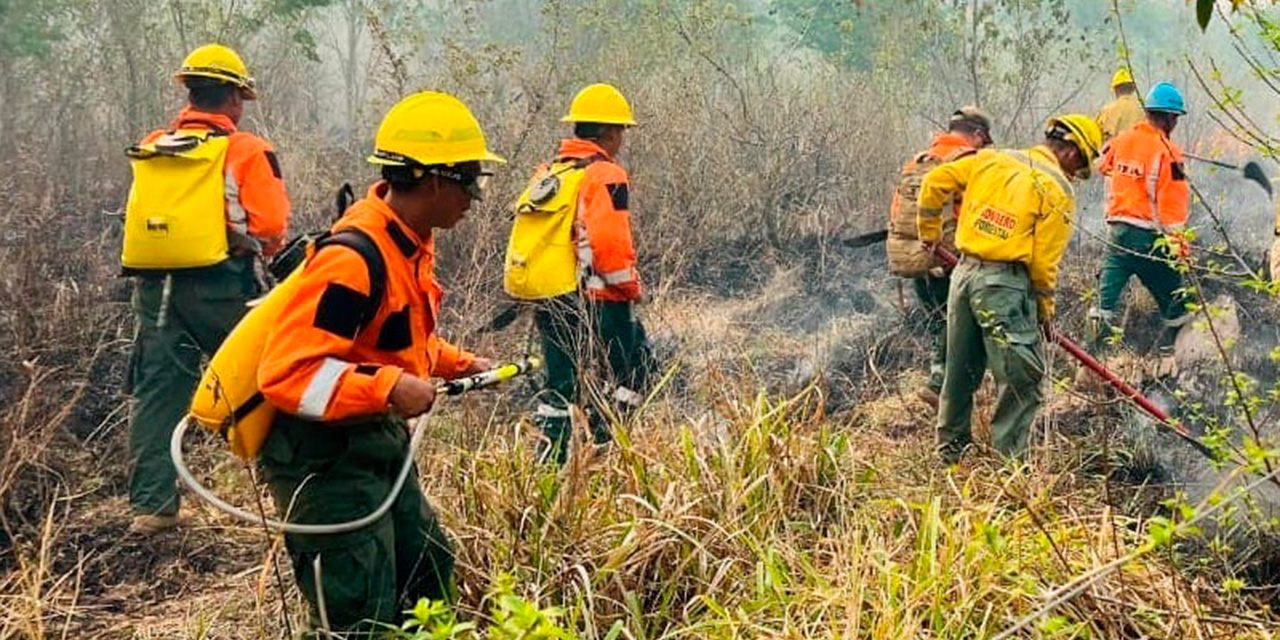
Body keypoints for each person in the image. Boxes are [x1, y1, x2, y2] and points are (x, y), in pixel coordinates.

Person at [255, 91, 501, 632]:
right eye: (471, 183)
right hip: (325, 461)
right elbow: (286, 373)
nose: (474, 198)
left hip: (373, 441)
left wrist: (460, 364)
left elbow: (394, 341)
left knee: (428, 576)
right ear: (436, 180)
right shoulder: (352, 260)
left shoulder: (407, 242)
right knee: (362, 612)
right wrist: (390, 389)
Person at [123, 44, 290, 534]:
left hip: (156, 290)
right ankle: (291, 491)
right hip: (221, 288)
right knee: (260, 382)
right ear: (235, 99)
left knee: (157, 393)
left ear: (191, 93)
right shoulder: (246, 151)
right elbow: (272, 225)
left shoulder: (153, 143)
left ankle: (152, 508)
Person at [917, 114, 1102, 464]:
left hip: (964, 276)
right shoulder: (1056, 189)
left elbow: (934, 182)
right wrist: (1044, 312)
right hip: (1005, 285)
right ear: (1074, 154)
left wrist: (928, 232)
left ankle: (949, 457)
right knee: (1021, 379)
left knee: (959, 372)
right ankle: (1009, 473)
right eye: (1080, 166)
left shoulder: (990, 159)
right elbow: (1044, 264)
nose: (1076, 174)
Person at [505, 83, 655, 465]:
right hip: (599, 299)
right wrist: (631, 288)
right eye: (621, 130)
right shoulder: (605, 174)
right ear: (609, 132)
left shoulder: (551, 172)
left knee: (561, 386)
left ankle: (549, 470)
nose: (622, 137)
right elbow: (608, 243)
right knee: (635, 371)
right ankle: (605, 449)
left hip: (551, 297)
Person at [887, 106, 994, 407]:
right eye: (983, 141)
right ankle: (942, 387)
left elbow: (897, 213)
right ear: (977, 135)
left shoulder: (917, 162)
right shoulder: (970, 162)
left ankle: (940, 381)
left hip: (916, 257)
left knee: (939, 322)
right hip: (951, 258)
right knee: (964, 323)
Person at [1091, 82, 1192, 355]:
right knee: (1176, 302)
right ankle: (1174, 355)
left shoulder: (1122, 140)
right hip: (1149, 240)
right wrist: (1179, 248)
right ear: (1170, 118)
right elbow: (1174, 207)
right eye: (1176, 118)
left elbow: (1102, 164)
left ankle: (1092, 362)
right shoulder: (1172, 154)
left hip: (1117, 235)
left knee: (1104, 304)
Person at [1097, 67, 1146, 143]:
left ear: (1115, 88)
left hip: (1114, 153)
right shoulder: (1144, 111)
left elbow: (1097, 136)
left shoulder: (1106, 111)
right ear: (1133, 88)